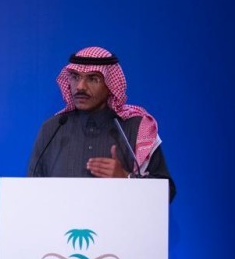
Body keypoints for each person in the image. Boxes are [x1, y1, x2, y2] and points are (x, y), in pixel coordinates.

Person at [27, 46, 176, 201]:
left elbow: (166, 193)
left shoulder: (137, 128)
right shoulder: (52, 129)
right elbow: (30, 193)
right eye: (75, 77)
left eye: (93, 79)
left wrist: (126, 179)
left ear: (110, 85)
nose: (80, 86)